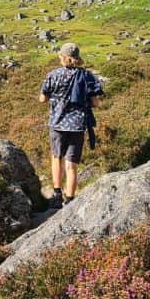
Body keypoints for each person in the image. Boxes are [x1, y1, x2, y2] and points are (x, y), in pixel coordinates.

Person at [38, 42, 103, 209]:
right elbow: (95, 103)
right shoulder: (87, 76)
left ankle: (56, 194)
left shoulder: (53, 75)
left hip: (57, 123)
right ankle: (70, 199)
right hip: (77, 126)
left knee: (56, 158)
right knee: (71, 164)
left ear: (64, 58)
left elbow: (42, 99)